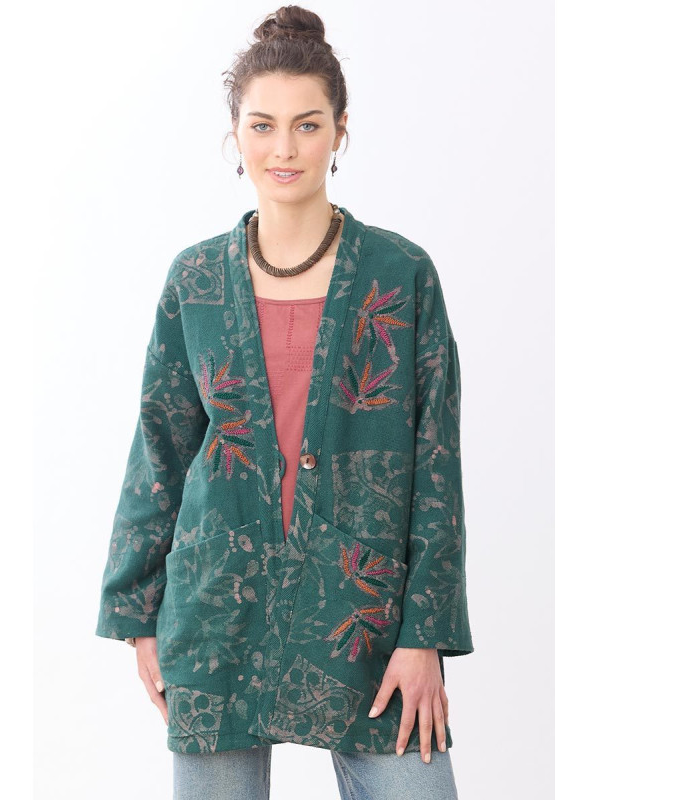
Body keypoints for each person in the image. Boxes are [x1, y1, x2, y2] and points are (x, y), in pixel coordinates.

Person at [95, 6, 474, 799]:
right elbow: (160, 447)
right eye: (262, 126)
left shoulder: (401, 276)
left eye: (307, 125)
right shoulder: (196, 281)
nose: (284, 149)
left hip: (366, 615)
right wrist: (137, 616)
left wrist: (426, 635)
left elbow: (436, 464)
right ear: (234, 136)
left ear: (340, 132)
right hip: (216, 609)